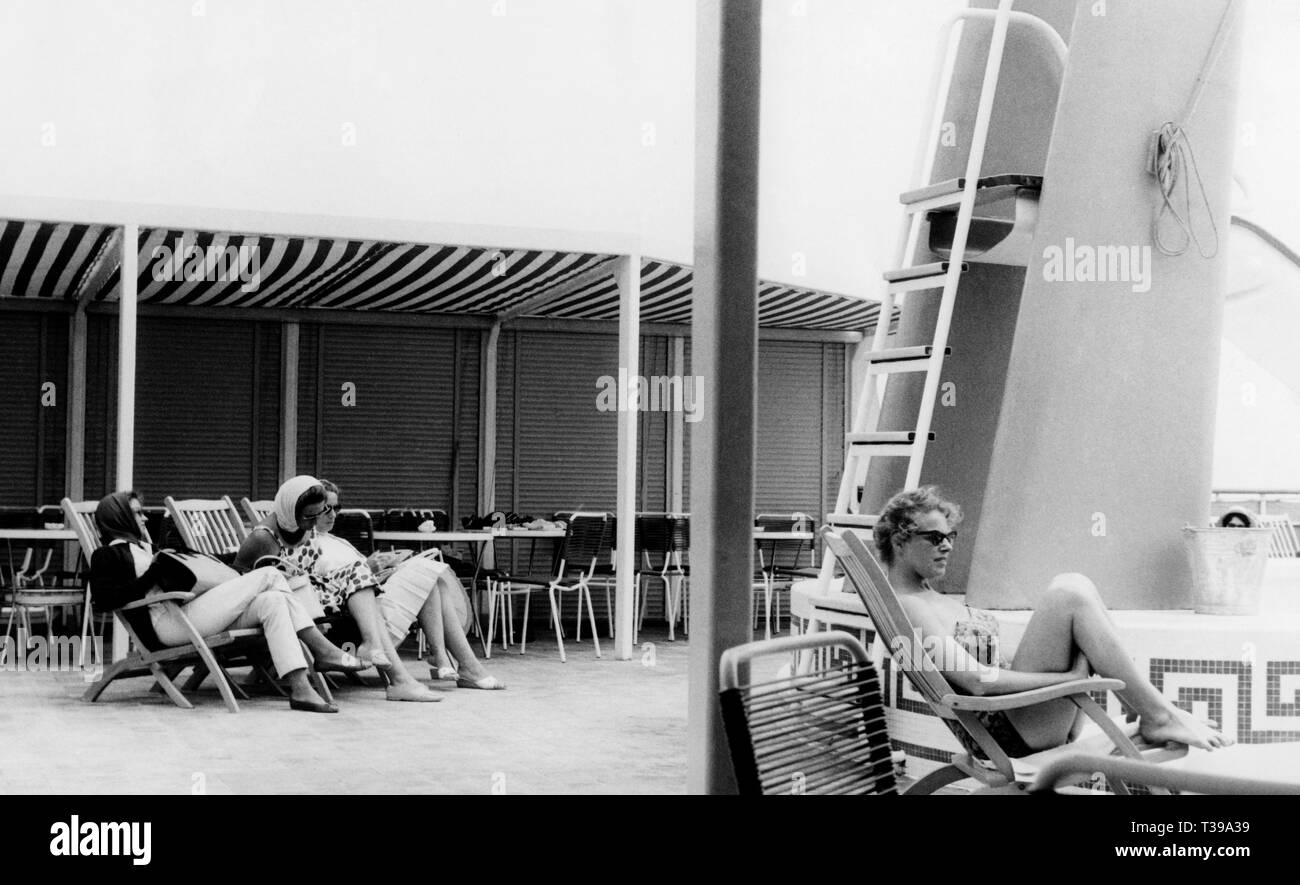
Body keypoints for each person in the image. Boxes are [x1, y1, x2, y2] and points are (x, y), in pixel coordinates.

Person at [873, 486, 1233, 755]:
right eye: (934, 538)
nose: (948, 546)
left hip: (1021, 720)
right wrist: (1068, 679)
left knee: (1076, 585)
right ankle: (1157, 714)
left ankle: (1156, 709)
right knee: (1068, 593)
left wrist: (1072, 667)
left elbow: (992, 663)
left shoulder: (929, 599)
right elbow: (976, 681)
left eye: (950, 536)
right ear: (900, 542)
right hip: (1004, 734)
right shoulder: (909, 606)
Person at [89, 491, 362, 713]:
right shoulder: (106, 555)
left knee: (273, 600)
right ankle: (323, 650)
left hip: (189, 613)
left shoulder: (146, 549)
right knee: (268, 574)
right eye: (136, 513)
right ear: (120, 517)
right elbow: (103, 601)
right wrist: (152, 575)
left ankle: (301, 688)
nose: (144, 518)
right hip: (167, 626)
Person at [234, 475, 440, 702]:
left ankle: (374, 648)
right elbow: (242, 582)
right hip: (288, 602)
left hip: (312, 590)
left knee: (358, 571)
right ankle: (400, 680)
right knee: (367, 600)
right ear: (288, 509)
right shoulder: (263, 538)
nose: (314, 523)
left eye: (318, 514)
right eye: (309, 516)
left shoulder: (300, 525)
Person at [315, 480, 504, 690]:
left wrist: (383, 567)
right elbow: (326, 586)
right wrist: (368, 567)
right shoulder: (307, 546)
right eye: (326, 509)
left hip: (371, 598)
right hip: (358, 619)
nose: (332, 514)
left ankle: (449, 659)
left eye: (337, 508)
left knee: (434, 580)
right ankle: (452, 661)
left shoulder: (337, 541)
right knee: (427, 574)